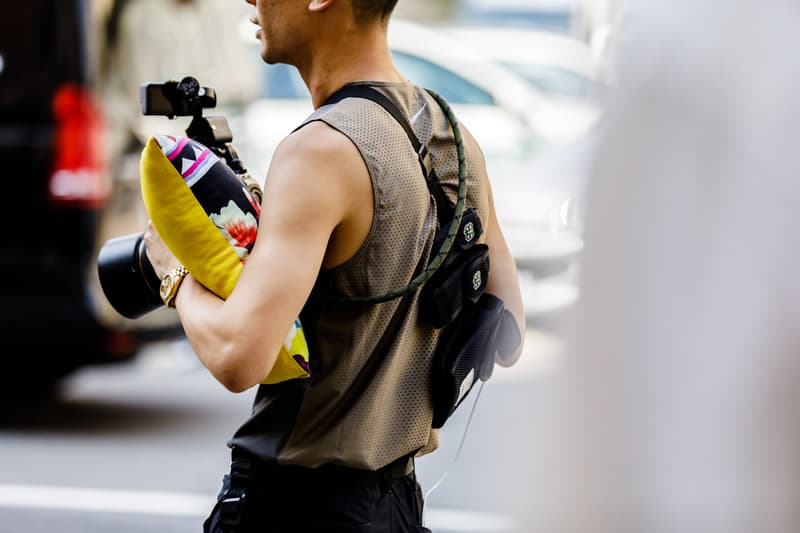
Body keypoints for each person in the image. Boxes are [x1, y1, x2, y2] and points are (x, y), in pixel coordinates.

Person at [143, 0, 525, 531]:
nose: (250, 1)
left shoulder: (320, 150)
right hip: (397, 508)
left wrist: (171, 271)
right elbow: (508, 326)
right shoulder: (455, 139)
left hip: (294, 507)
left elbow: (237, 355)